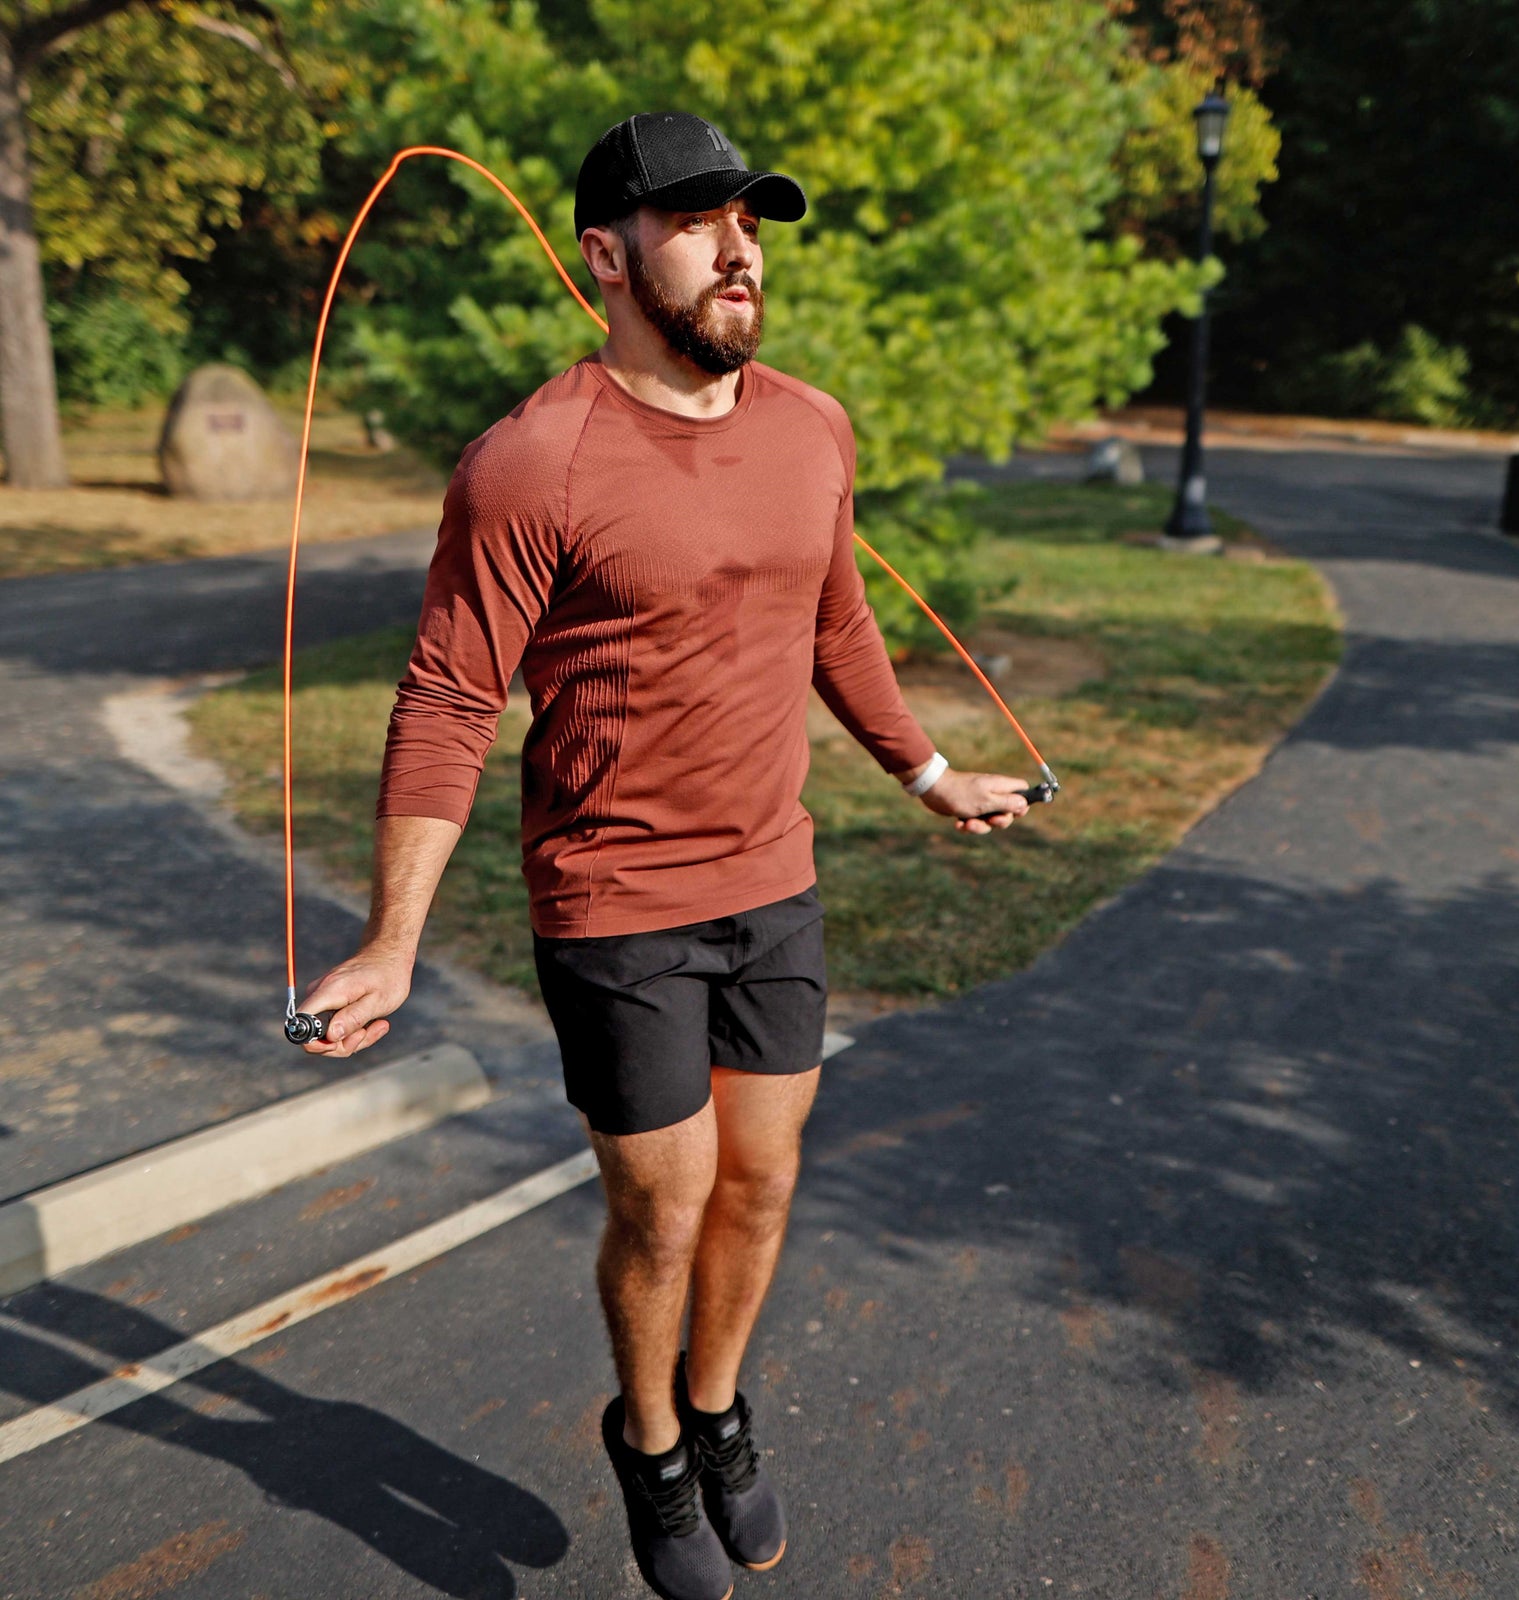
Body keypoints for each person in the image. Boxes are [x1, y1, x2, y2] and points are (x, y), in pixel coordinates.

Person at [297, 111, 1029, 1600]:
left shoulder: (810, 424)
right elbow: (448, 699)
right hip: (615, 899)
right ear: (608, 259)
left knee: (761, 1183)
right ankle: (649, 1440)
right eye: (698, 220)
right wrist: (392, 939)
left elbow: (835, 618)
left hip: (776, 879)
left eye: (751, 219)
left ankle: (716, 1411)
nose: (740, 243)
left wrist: (930, 770)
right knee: (668, 1198)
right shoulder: (530, 463)